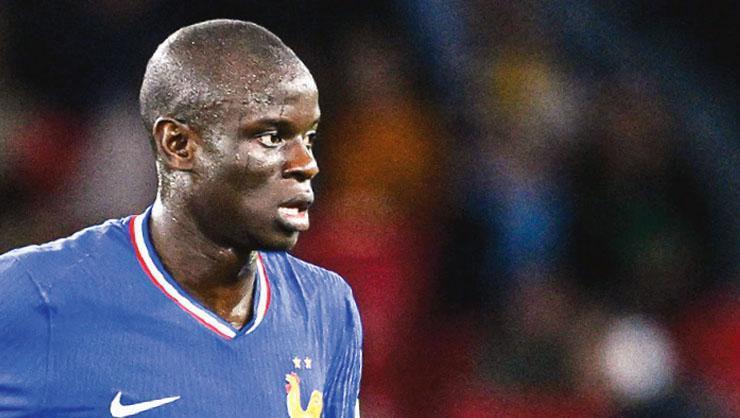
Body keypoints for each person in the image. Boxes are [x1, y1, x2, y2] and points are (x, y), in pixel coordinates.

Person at [0, 19, 361, 417]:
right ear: (178, 144)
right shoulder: (34, 295)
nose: (306, 163)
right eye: (272, 137)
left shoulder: (326, 306)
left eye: (308, 138)